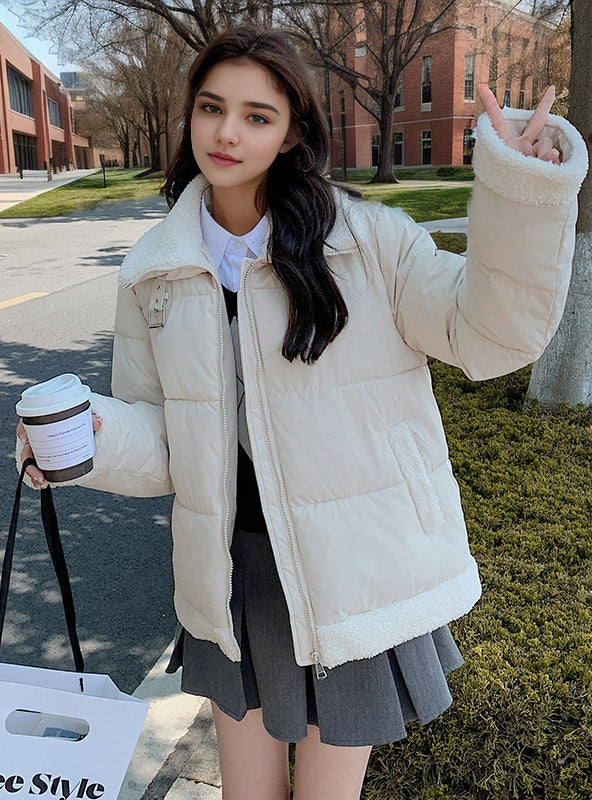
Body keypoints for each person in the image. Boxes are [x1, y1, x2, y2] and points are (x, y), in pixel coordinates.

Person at [17, 25, 588, 800]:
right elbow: (164, 441)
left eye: (257, 115)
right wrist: (92, 438)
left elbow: (489, 335)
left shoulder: (369, 240)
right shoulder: (154, 270)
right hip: (233, 575)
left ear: (291, 133)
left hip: (350, 571)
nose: (227, 132)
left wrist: (521, 194)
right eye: (213, 107)